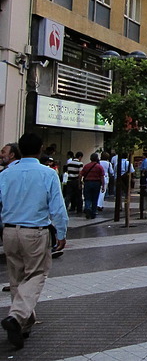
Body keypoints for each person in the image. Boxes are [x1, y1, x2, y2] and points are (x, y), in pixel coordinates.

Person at [0, 133, 68, 349]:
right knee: (37, 274)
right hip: (35, 231)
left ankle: (23, 324)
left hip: (9, 231)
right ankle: (17, 316)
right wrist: (62, 231)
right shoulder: (47, 173)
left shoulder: (6, 174)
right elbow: (57, 206)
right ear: (40, 149)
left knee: (16, 277)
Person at [79, 153, 105, 219]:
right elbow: (102, 177)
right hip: (96, 183)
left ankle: (87, 208)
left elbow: (81, 175)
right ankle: (93, 212)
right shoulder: (99, 167)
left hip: (87, 183)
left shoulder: (86, 166)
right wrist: (103, 186)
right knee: (95, 198)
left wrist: (79, 183)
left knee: (87, 197)